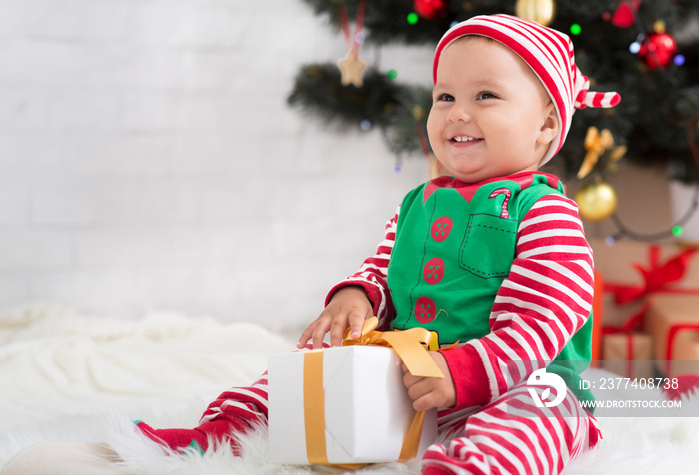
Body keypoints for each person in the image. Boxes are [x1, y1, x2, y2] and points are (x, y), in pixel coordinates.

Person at [32, 14, 617, 475]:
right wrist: (358, 298)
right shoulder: (419, 201)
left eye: (486, 96)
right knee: (298, 375)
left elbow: (544, 320)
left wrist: (462, 372)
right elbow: (385, 270)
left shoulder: (544, 212)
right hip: (415, 375)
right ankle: (211, 438)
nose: (458, 112)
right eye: (444, 97)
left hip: (513, 380)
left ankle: (468, 467)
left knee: (535, 414)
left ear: (546, 127)